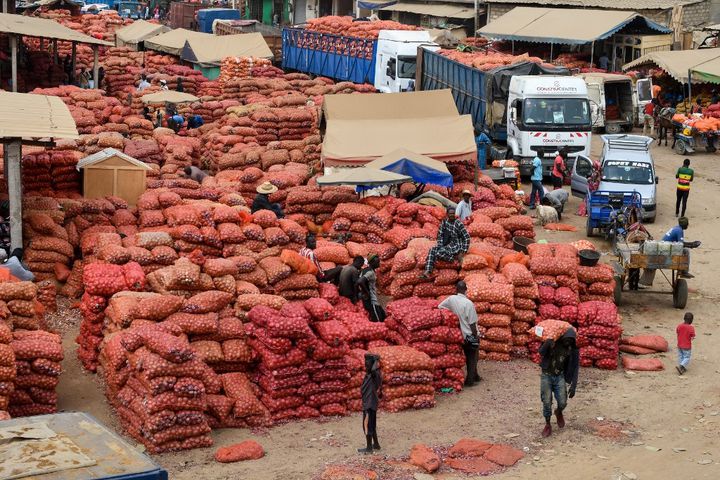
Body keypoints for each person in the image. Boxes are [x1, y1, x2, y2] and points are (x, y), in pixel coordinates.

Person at [538, 327, 579, 437]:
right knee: (546, 401)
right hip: (546, 375)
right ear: (563, 337)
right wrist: (547, 343)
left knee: (563, 402)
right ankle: (547, 424)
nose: (568, 342)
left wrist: (573, 385)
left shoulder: (572, 349)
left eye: (571, 340)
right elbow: (541, 352)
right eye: (567, 339)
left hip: (559, 376)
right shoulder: (553, 342)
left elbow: (575, 367)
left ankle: (559, 411)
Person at [439, 281, 481, 386]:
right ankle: (470, 380)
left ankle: (475, 376)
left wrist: (452, 316)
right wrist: (475, 336)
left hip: (459, 334)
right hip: (469, 334)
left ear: (456, 289)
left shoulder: (451, 299)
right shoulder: (469, 303)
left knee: (470, 355)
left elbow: (440, 306)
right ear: (466, 289)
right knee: (472, 357)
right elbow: (472, 324)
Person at [421, 208, 470, 278]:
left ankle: (452, 258)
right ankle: (428, 270)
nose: (452, 215)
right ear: (447, 215)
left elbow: (467, 237)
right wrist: (440, 245)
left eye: (453, 213)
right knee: (432, 250)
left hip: (455, 246)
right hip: (446, 244)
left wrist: (463, 251)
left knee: (438, 253)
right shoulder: (444, 222)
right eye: (450, 214)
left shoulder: (459, 224)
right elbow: (440, 235)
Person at [357, 353, 382, 454]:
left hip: (369, 404)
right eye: (365, 363)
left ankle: (369, 448)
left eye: (367, 363)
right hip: (370, 403)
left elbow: (373, 370)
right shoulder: (370, 374)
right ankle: (376, 444)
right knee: (371, 425)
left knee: (367, 425)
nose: (365, 365)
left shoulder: (374, 374)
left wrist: (376, 360)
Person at [358, 255, 385, 322]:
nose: (379, 264)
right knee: (378, 320)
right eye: (377, 262)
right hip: (371, 300)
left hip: (370, 298)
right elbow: (360, 281)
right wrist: (367, 293)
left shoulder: (365, 270)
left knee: (383, 315)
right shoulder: (370, 273)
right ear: (372, 263)